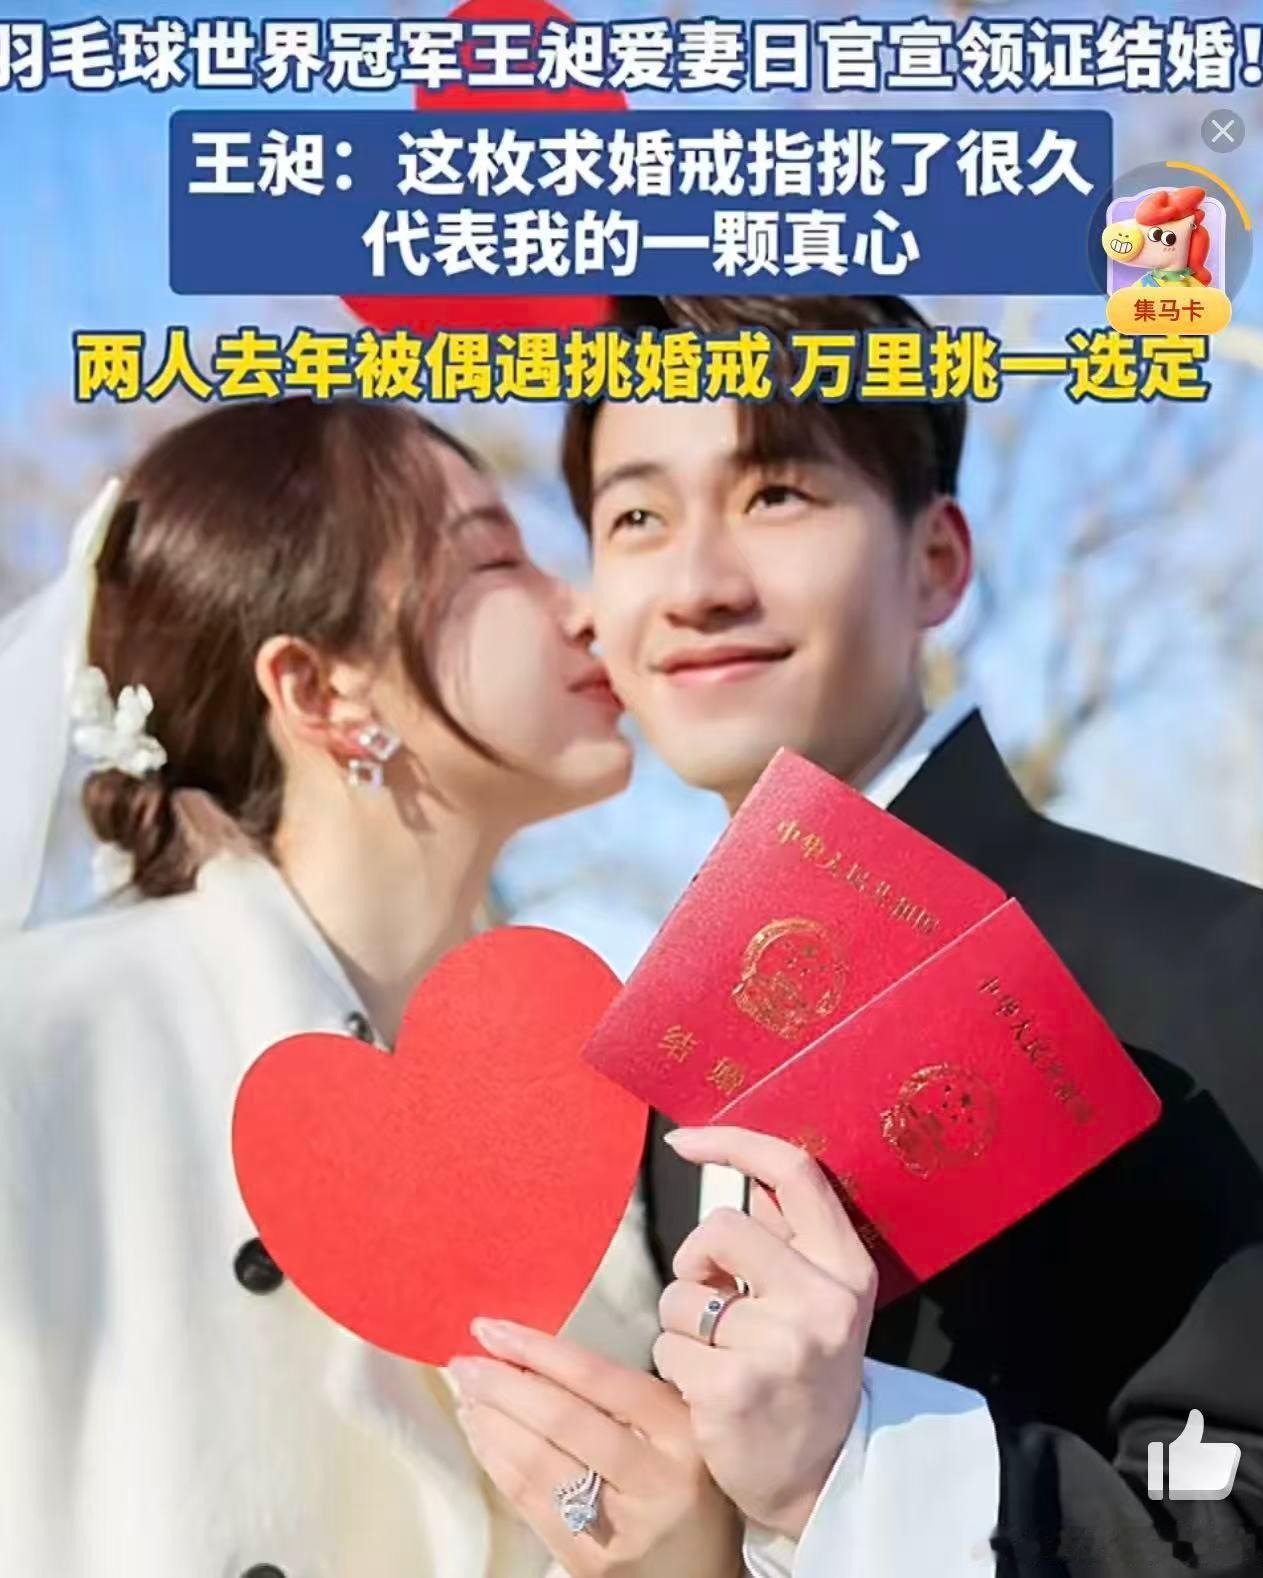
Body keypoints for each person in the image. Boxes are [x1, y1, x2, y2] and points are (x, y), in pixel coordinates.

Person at [559, 294, 1263, 1577]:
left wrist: (849, 1465)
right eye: (635, 518)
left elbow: (1255, 1512)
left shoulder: (1207, 963)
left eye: (776, 494)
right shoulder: (659, 1089)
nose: (698, 585)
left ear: (937, 561)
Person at [0, 397, 744, 1578]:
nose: (588, 609)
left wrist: (693, 1556)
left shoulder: (605, 1098)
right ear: (320, 691)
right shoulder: (48, 1047)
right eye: (495, 559)